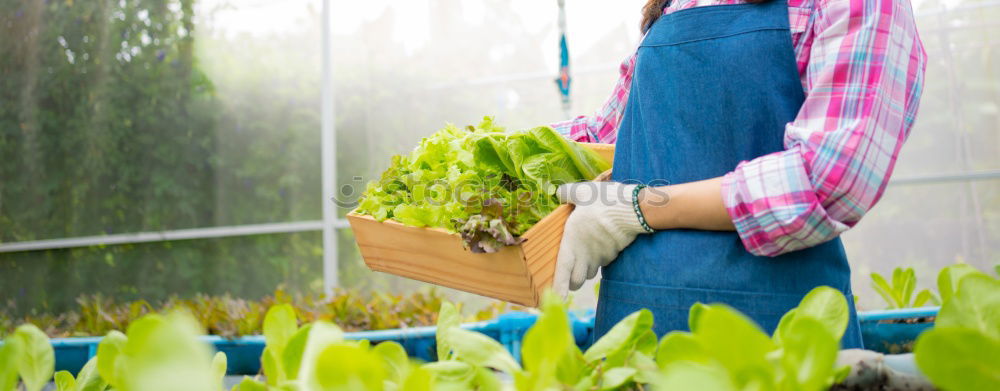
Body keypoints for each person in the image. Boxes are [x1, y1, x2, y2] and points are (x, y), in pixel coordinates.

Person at [552, 0, 926, 347]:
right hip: (635, 328)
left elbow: (830, 178)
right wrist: (501, 150)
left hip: (774, 334)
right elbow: (607, 136)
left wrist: (639, 208)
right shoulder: (677, 4)